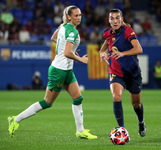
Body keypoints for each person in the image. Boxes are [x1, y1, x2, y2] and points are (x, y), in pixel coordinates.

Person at [8, 5, 97, 140]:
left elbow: (54, 38)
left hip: (67, 69)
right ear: (69, 17)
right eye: (76, 15)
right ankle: (15, 119)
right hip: (59, 70)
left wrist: (70, 51)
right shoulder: (72, 31)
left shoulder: (63, 26)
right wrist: (80, 59)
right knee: (47, 102)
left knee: (78, 98)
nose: (79, 18)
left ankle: (80, 131)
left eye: (80, 15)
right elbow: (66, 52)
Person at [99, 9, 146, 137]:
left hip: (132, 73)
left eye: (117, 18)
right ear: (109, 20)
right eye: (112, 18)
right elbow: (103, 47)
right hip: (116, 72)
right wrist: (102, 53)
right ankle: (122, 130)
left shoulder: (128, 31)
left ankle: (141, 121)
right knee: (116, 96)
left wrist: (122, 53)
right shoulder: (107, 33)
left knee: (136, 104)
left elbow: (139, 49)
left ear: (121, 19)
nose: (115, 21)